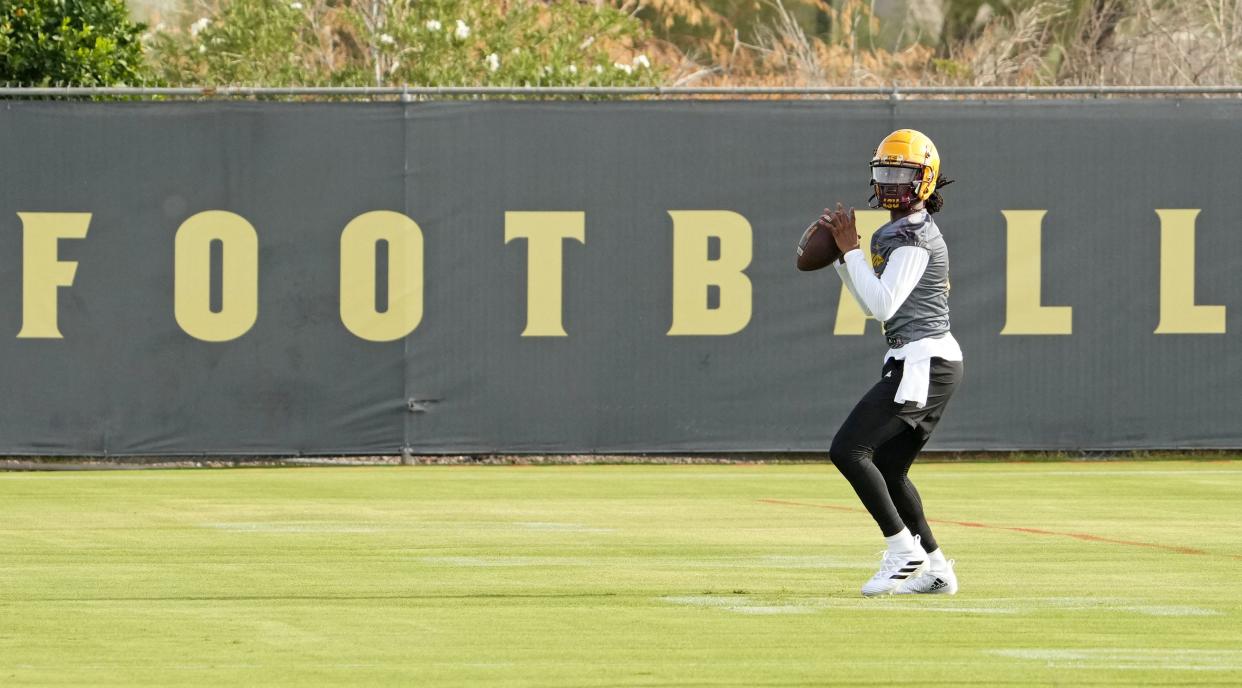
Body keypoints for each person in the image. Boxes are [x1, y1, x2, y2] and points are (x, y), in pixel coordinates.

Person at [818, 129, 963, 596]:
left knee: (849, 450)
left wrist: (850, 251)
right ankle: (936, 567)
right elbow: (872, 303)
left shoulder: (914, 236)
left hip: (923, 360)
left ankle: (902, 549)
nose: (892, 183)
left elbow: (882, 304)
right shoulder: (900, 230)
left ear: (925, 181)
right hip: (922, 358)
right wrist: (845, 260)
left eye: (903, 173)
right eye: (886, 172)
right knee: (890, 466)